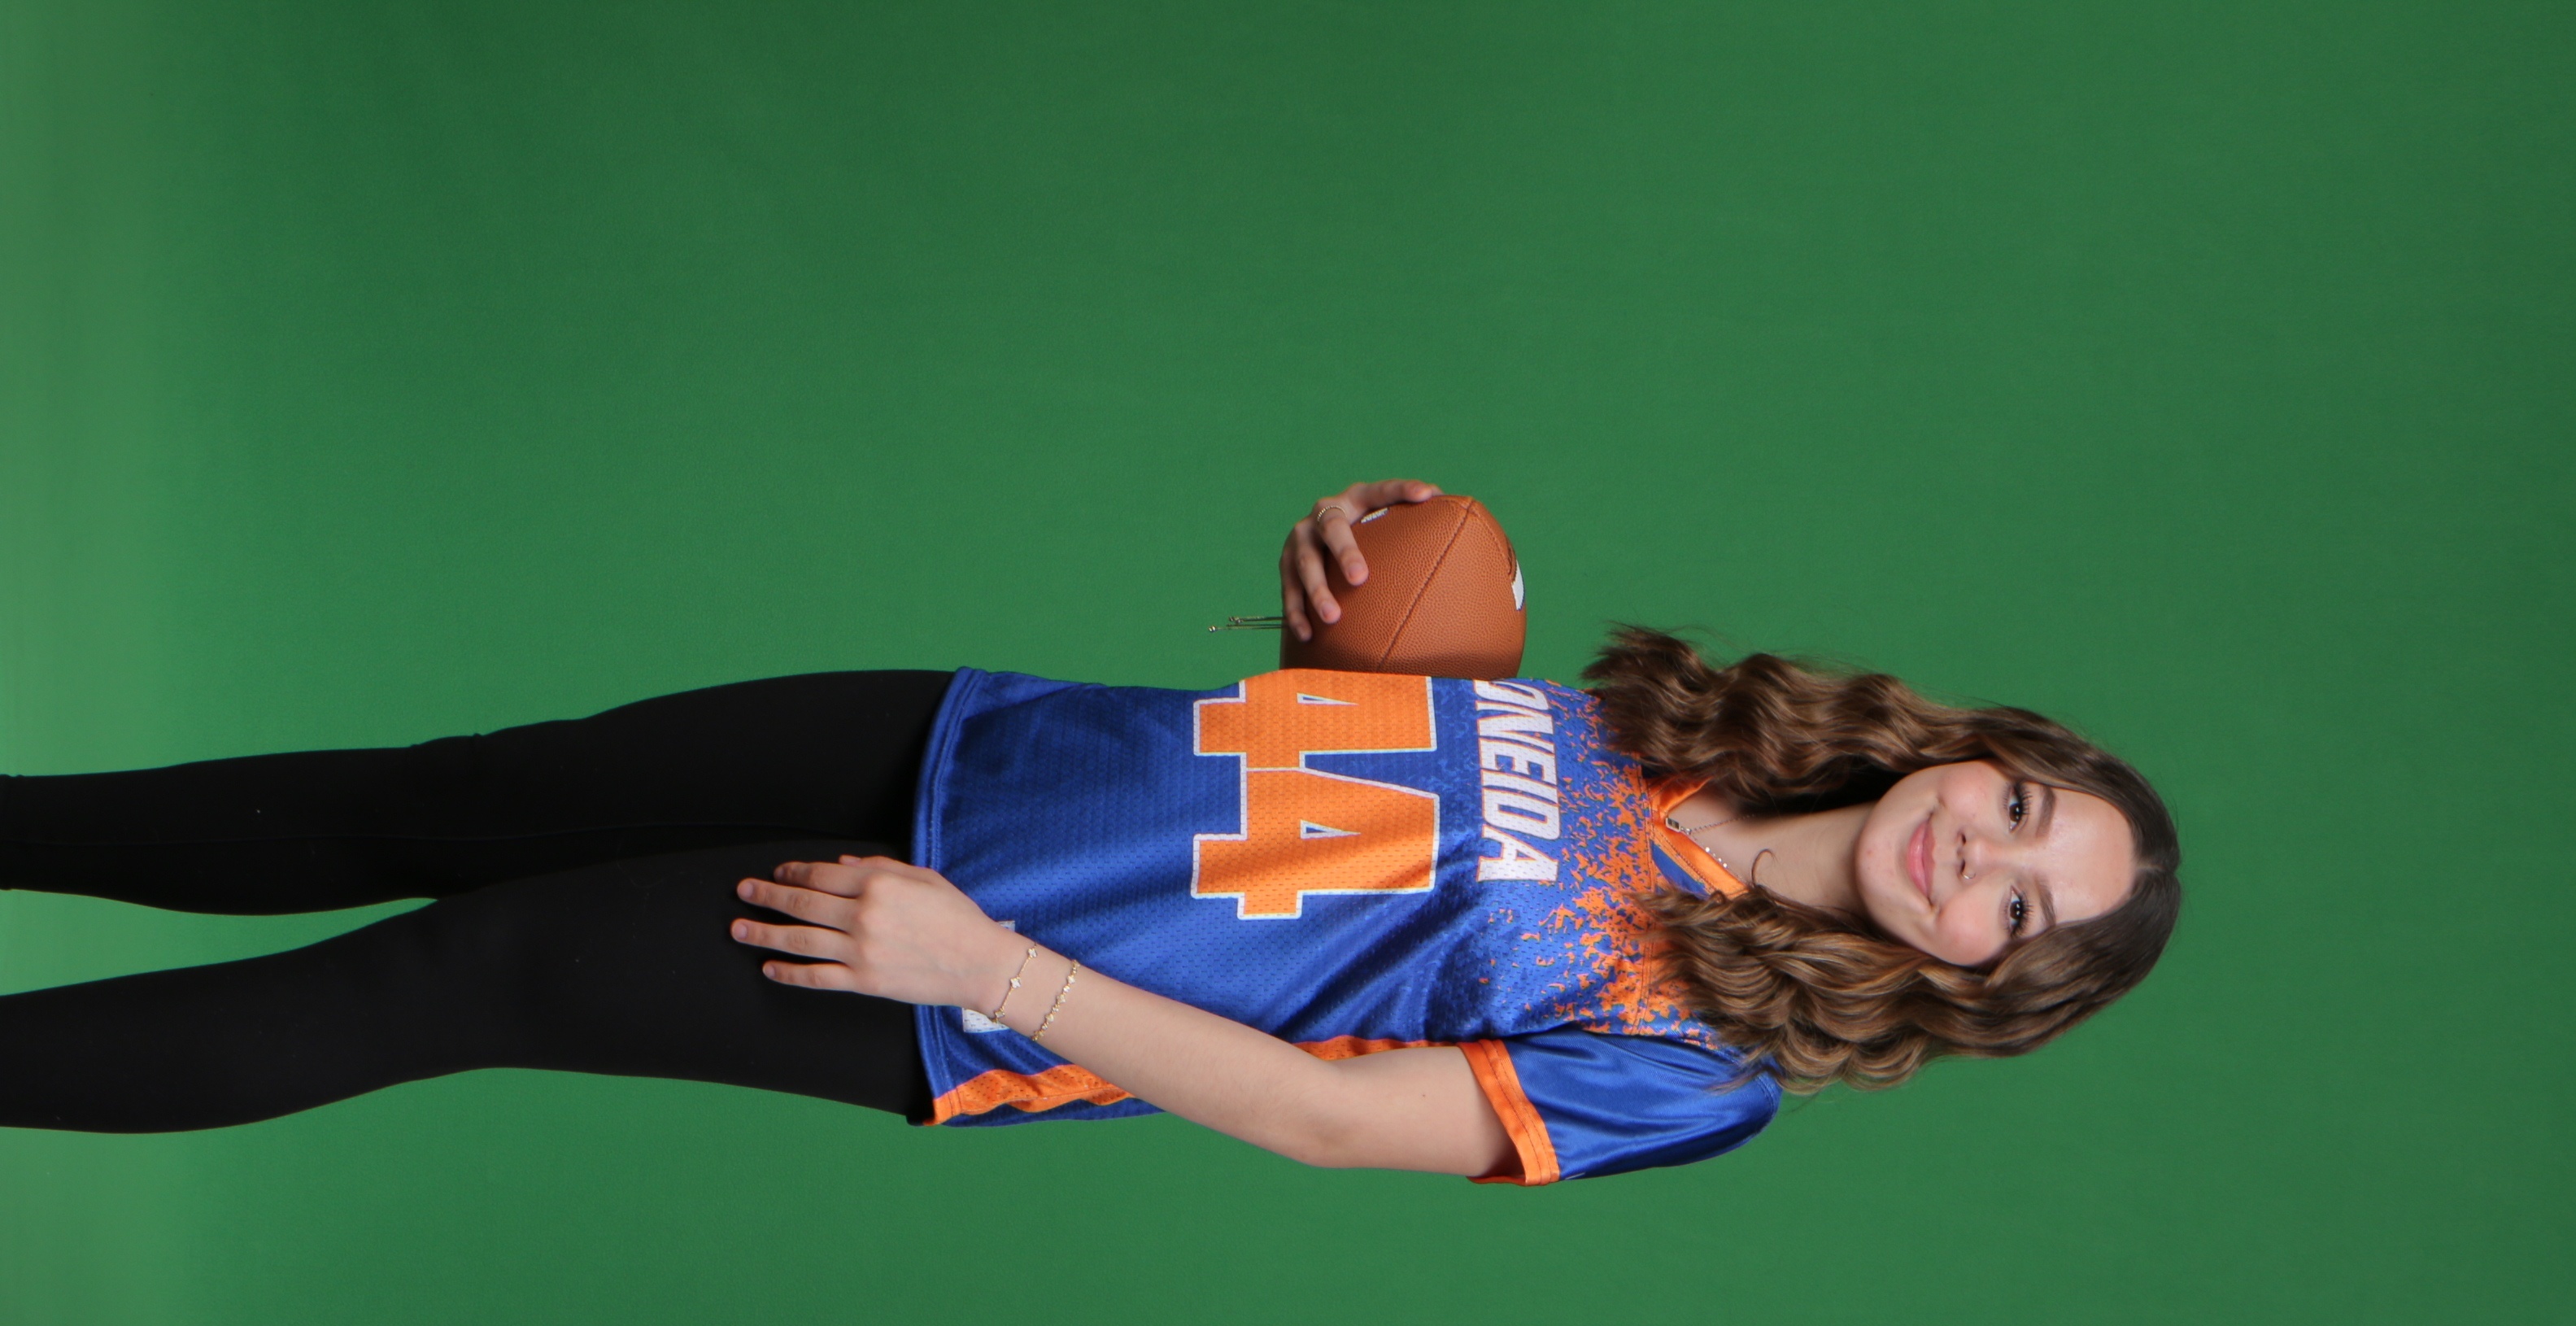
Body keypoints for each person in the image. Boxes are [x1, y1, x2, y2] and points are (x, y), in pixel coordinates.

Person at [0, 482, 2181, 1180]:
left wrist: (991, 972)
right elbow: (1345, 796)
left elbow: (1335, 1117)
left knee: (452, 977)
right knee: (437, 799)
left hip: (949, 967)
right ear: (1973, 751)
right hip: (980, 742)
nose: (1975, 859)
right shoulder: (1689, 728)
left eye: (2021, 907)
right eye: (2018, 809)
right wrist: (1345, 608)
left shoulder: (1707, 1072)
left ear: (1987, 985)